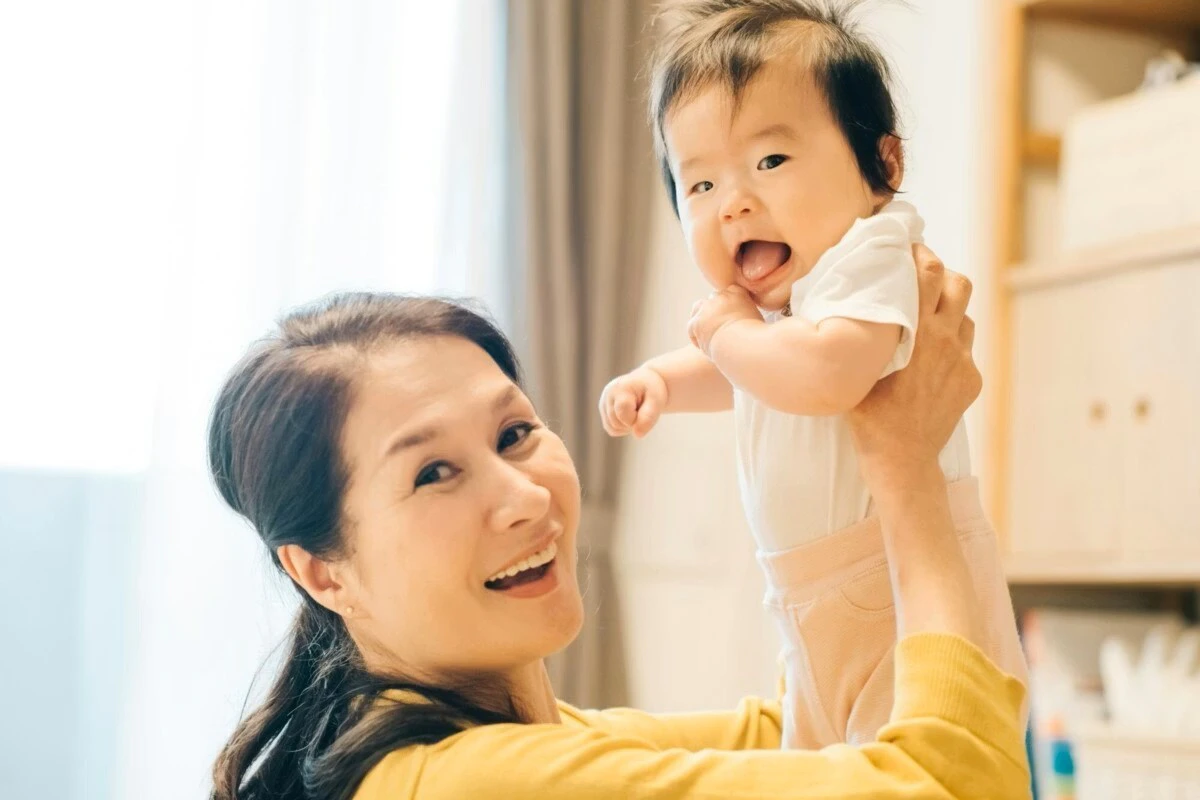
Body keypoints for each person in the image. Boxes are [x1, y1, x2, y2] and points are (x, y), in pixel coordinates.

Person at [207, 247, 1030, 799]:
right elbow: (954, 787)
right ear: (323, 572)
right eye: (433, 474)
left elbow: (803, 735)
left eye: (514, 434)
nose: (526, 498)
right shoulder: (470, 780)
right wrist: (906, 469)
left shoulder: (527, 741)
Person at [599, 0, 1027, 748]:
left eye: (770, 161)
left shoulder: (873, 256)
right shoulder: (785, 316)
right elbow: (754, 373)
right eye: (699, 186)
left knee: (918, 772)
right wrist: (663, 381)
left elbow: (826, 374)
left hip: (898, 600)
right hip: (815, 608)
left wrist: (727, 333)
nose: (734, 204)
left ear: (883, 166)